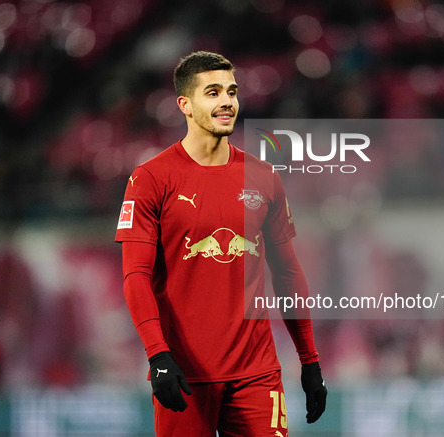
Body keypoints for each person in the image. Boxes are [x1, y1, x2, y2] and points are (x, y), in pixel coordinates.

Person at [115, 51, 327, 436]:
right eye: (212, 92)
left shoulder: (263, 177)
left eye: (231, 91)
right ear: (186, 105)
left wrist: (309, 360)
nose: (227, 101)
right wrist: (158, 355)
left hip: (257, 374)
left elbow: (288, 273)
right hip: (184, 373)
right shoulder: (150, 179)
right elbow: (135, 275)